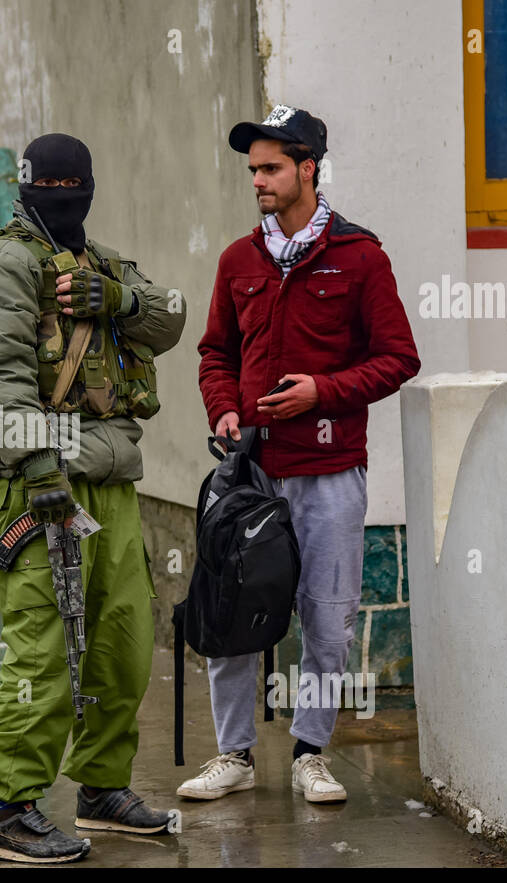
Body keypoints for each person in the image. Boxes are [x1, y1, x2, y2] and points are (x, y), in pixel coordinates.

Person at [0, 133, 186, 862]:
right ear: (26, 188)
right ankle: (9, 809)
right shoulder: (3, 265)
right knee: (44, 651)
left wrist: (115, 298)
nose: (65, 196)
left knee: (123, 644)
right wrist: (41, 470)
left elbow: (171, 316)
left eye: (74, 184)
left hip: (113, 483)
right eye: (50, 186)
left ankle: (101, 787)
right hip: (40, 486)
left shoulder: (103, 264)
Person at [181, 106, 420, 805]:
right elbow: (214, 353)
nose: (257, 179)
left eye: (271, 168)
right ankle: (234, 753)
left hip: (330, 471)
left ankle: (311, 751)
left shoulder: (360, 257)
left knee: (326, 617)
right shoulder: (237, 260)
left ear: (308, 167)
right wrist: (223, 406)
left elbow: (398, 358)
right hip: (249, 474)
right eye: (253, 168)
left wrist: (323, 391)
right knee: (228, 611)